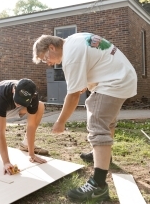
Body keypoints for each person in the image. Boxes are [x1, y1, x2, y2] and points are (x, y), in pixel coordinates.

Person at [32, 33, 137, 201]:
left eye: (45, 58)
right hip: (122, 76)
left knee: (97, 123)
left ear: (51, 47)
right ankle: (104, 156)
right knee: (106, 121)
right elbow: (94, 63)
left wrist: (60, 122)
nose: (48, 63)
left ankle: (98, 185)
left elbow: (73, 96)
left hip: (114, 82)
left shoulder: (70, 57)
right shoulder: (74, 39)